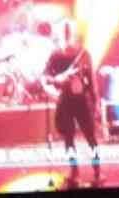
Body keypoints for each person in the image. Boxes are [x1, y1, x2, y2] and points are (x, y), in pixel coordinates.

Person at [43, 20, 100, 188]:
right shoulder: (55, 54)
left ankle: (97, 170)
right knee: (68, 137)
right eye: (64, 30)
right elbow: (45, 76)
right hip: (66, 100)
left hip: (82, 100)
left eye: (68, 30)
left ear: (73, 33)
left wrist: (95, 101)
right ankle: (74, 170)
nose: (66, 33)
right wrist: (55, 80)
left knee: (90, 137)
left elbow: (92, 79)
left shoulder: (83, 53)